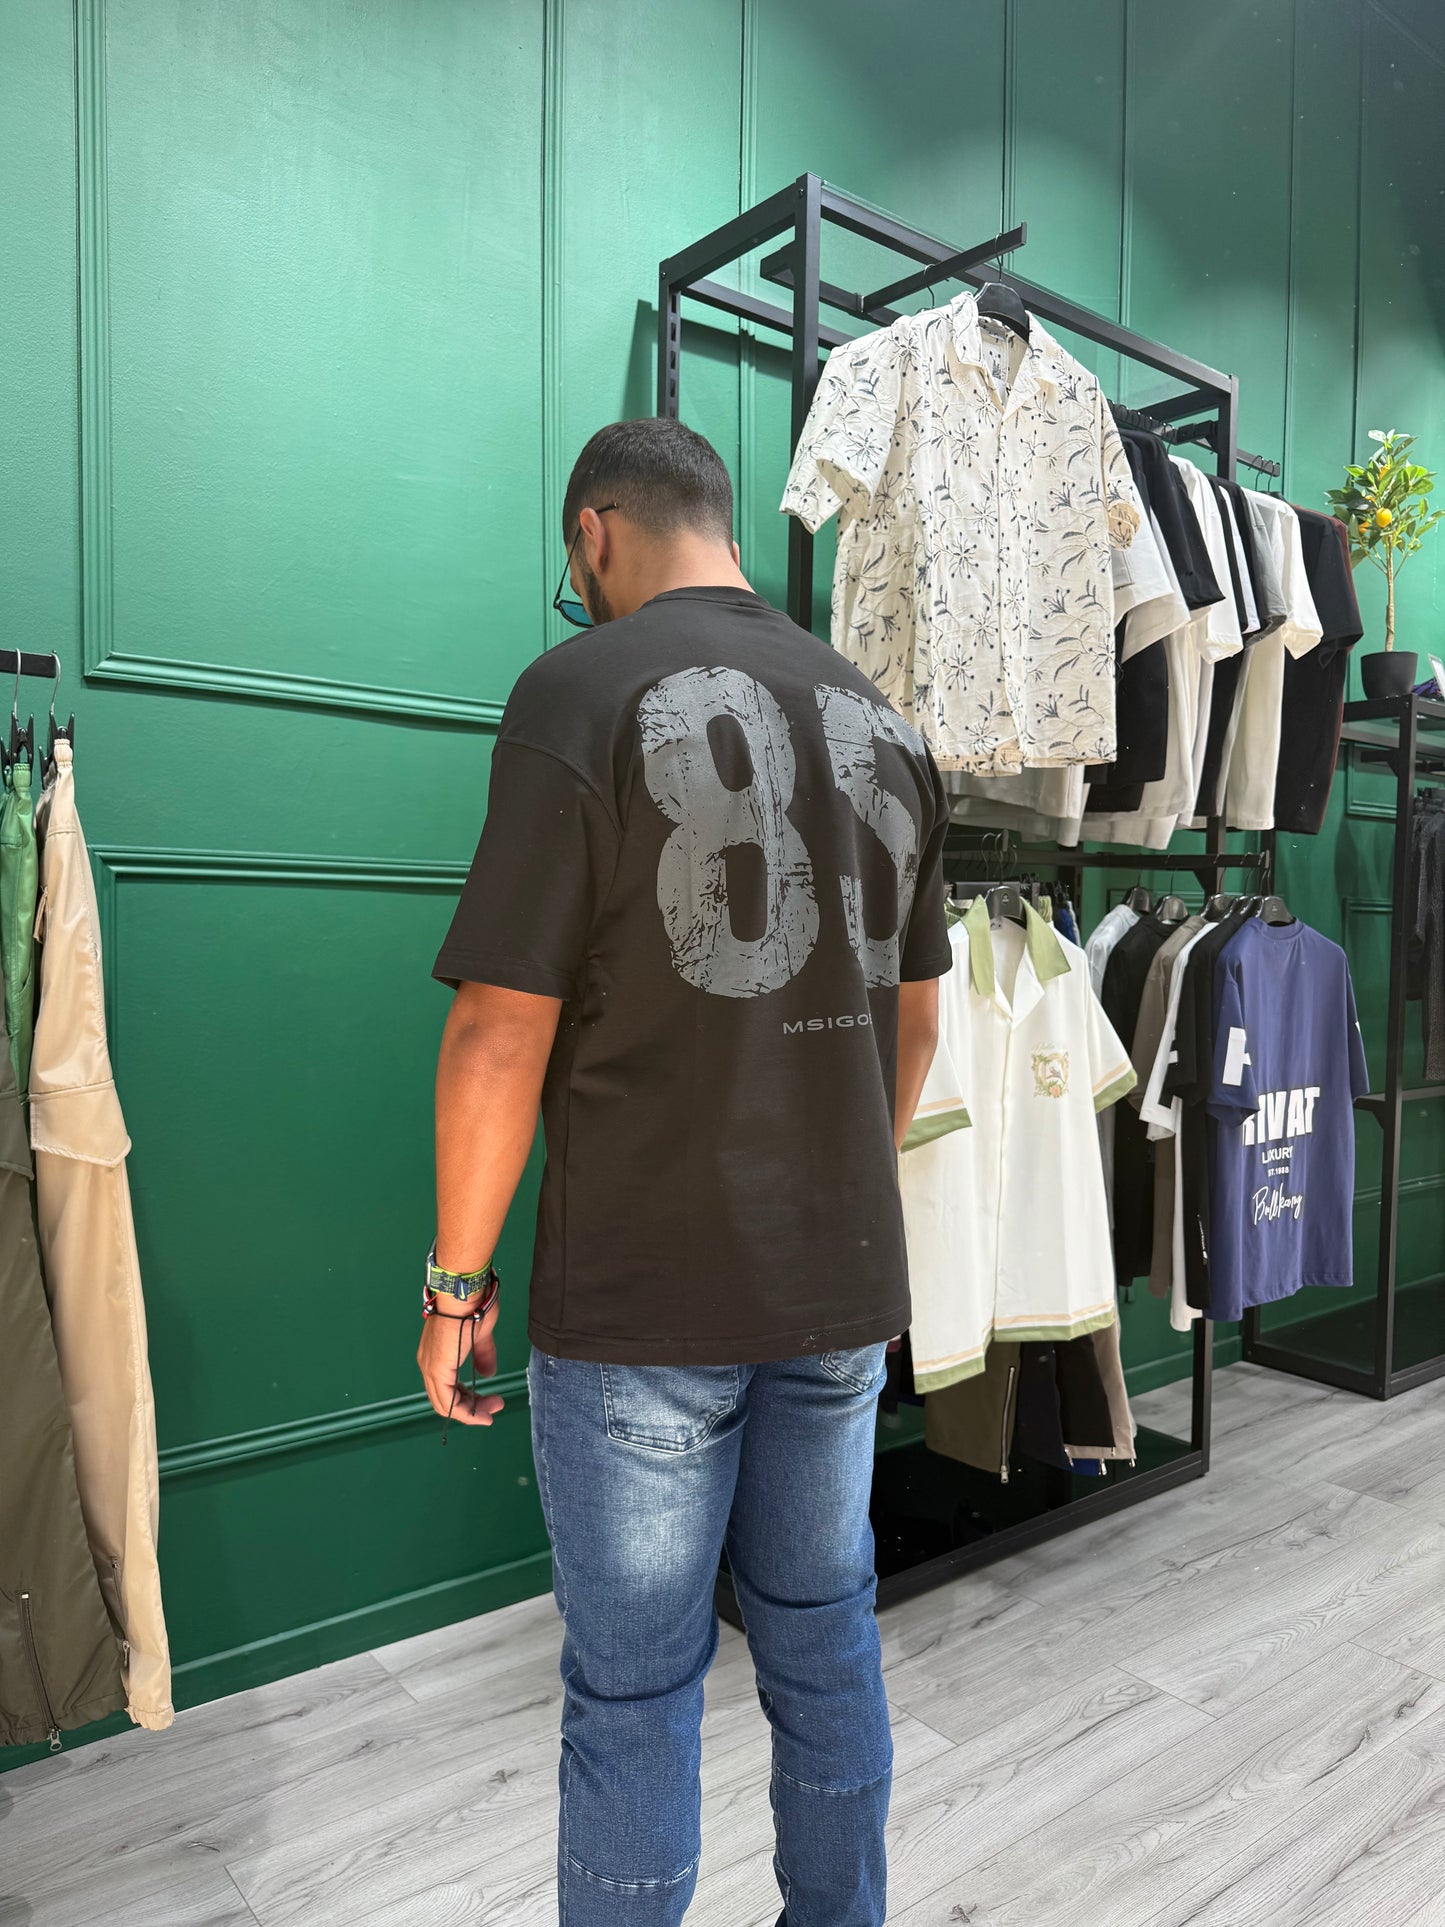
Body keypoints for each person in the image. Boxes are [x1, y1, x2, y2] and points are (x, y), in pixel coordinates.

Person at [419, 417, 951, 1926]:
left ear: (593, 533)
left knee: (637, 1688)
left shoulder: (579, 688)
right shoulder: (879, 718)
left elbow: (498, 1031)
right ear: (722, 521)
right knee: (825, 1638)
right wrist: (838, 1179)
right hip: (839, 1280)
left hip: (647, 1294)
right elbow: (918, 1023)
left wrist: (455, 1283)